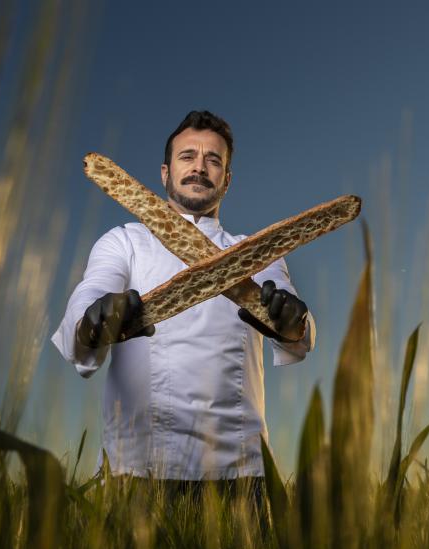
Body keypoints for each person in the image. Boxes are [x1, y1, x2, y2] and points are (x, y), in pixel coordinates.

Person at [51, 110, 315, 491]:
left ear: (227, 179)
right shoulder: (124, 241)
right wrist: (92, 319)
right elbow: (93, 289)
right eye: (187, 156)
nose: (199, 168)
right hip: (136, 470)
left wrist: (293, 321)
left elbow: (292, 316)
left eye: (213, 160)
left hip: (240, 475)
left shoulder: (256, 253)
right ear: (165, 172)